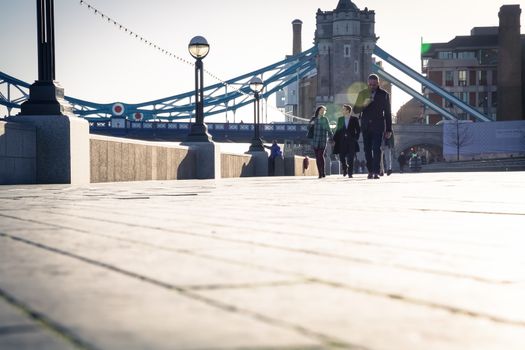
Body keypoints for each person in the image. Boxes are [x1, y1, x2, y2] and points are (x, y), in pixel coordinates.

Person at [353, 74, 392, 179]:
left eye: (374, 84)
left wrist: (389, 129)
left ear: (378, 83)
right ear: (367, 83)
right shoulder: (362, 94)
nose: (372, 86)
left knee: (376, 148)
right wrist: (364, 104)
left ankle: (375, 171)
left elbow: (388, 113)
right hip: (365, 126)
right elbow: (355, 110)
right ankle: (370, 171)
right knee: (367, 149)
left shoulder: (384, 94)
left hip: (378, 125)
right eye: (370, 84)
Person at [333, 104, 360, 178]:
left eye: (343, 109)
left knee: (351, 158)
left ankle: (350, 173)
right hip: (342, 142)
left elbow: (358, 130)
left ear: (348, 111)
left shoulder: (354, 119)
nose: (342, 110)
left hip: (351, 141)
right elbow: (338, 131)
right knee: (342, 157)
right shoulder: (340, 119)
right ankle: (345, 168)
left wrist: (356, 138)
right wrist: (333, 139)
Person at [309, 105, 333, 178]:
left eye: (324, 111)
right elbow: (308, 127)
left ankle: (322, 172)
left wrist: (331, 137)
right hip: (315, 140)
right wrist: (311, 124)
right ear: (318, 111)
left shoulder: (325, 119)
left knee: (320, 155)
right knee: (317, 157)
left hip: (322, 140)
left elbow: (328, 129)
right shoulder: (314, 119)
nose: (322, 112)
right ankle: (320, 172)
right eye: (321, 110)